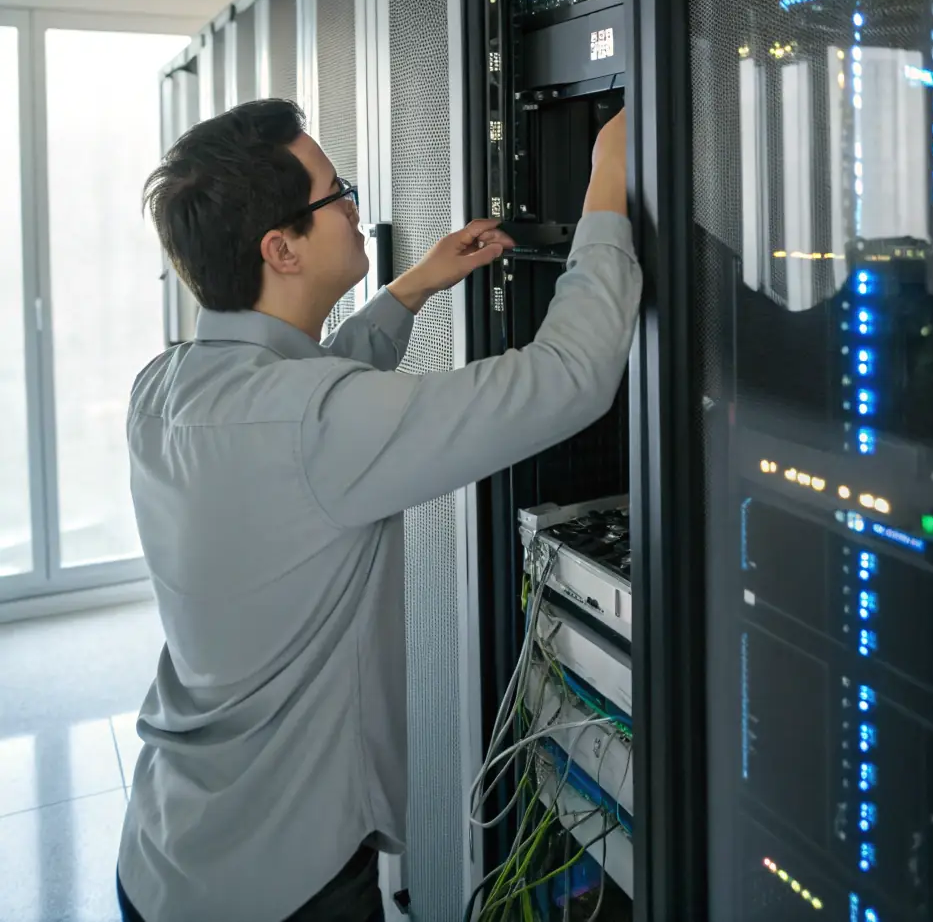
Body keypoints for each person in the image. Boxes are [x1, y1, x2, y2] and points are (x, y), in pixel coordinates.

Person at [116, 97, 641, 922]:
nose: (355, 204)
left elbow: (306, 403)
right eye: (336, 194)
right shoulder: (317, 426)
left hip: (164, 853)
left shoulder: (165, 386)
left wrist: (413, 286)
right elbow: (572, 375)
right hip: (288, 888)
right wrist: (609, 180)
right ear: (279, 247)